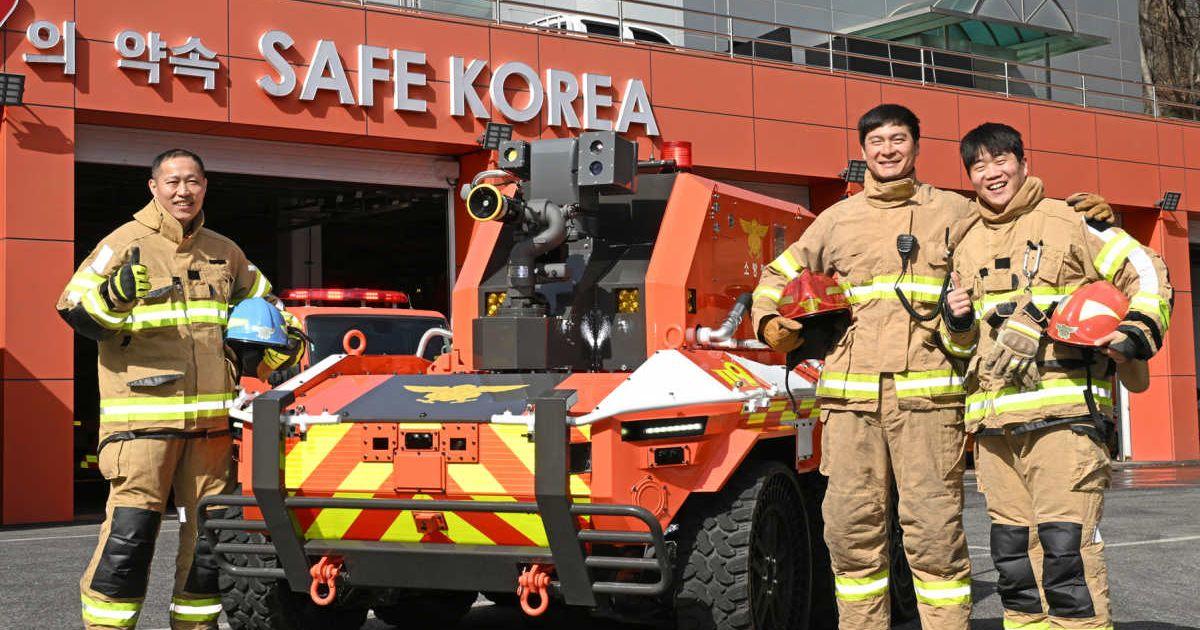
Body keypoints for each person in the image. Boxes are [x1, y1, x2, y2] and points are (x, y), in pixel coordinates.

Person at [750, 104, 1113, 629]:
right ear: (863, 151)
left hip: (931, 405)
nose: (888, 149)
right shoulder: (835, 220)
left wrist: (1095, 223)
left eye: (898, 139)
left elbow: (1014, 222)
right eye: (876, 141)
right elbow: (776, 274)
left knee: (936, 537)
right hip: (849, 407)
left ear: (917, 148)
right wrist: (768, 322)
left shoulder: (954, 212)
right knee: (852, 536)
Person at [57, 149, 303, 630]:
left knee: (209, 542)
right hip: (142, 425)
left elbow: (265, 310)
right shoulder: (123, 244)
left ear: (205, 186)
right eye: (171, 182)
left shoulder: (224, 252)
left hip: (210, 430)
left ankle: (195, 626)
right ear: (153, 187)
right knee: (131, 536)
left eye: (192, 181)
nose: (182, 191)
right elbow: (74, 309)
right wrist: (116, 294)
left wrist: (285, 340)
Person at [942, 123, 1171, 629]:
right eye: (978, 166)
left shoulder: (1071, 220)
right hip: (995, 431)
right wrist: (957, 322)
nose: (990, 173)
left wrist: (1136, 332)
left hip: (1064, 422)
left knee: (1065, 558)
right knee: (1012, 563)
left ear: (1022, 162)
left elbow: (1147, 269)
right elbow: (962, 346)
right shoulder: (966, 244)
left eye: (999, 160)